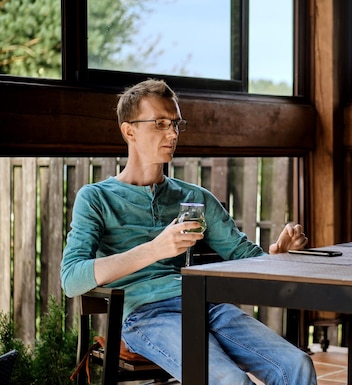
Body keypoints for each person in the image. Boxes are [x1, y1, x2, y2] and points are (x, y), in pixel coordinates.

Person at [61, 79, 317, 385]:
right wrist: (156, 249)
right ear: (129, 131)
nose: (172, 133)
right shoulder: (96, 198)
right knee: (230, 381)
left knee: (298, 364)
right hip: (146, 316)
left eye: (176, 124)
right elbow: (72, 278)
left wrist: (278, 255)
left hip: (207, 306)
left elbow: (245, 257)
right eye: (160, 123)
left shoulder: (195, 198)